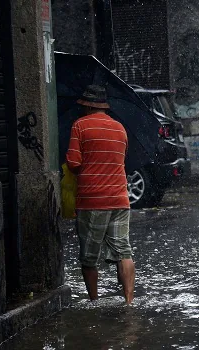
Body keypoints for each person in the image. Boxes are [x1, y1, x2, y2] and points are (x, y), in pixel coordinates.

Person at [66, 84, 135, 304]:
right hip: (120, 199)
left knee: (89, 256)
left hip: (92, 200)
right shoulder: (120, 128)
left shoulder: (80, 126)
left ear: (86, 105)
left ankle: (94, 301)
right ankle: (129, 301)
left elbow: (74, 163)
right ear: (104, 106)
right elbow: (120, 159)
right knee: (123, 250)